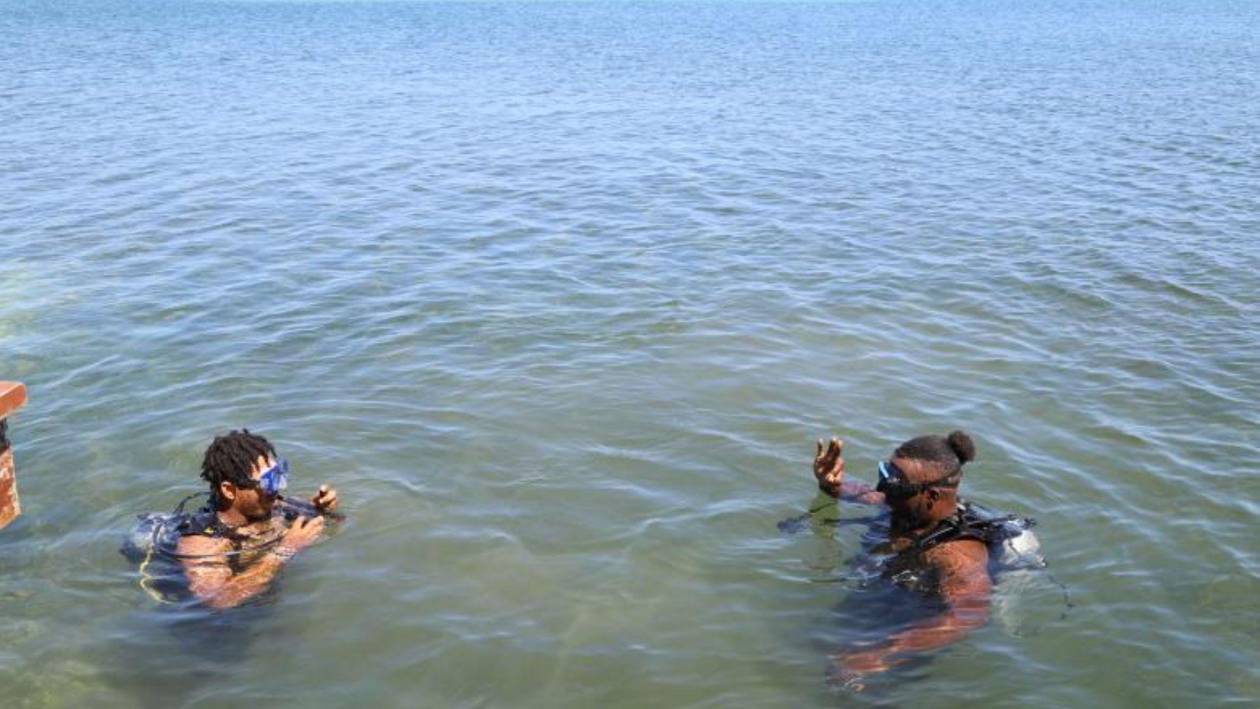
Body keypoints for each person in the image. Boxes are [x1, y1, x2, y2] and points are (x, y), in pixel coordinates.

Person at [811, 430, 996, 686]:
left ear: (930, 496)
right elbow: (868, 494)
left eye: (896, 481)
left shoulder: (955, 553)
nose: (883, 488)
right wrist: (832, 486)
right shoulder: (905, 502)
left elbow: (970, 615)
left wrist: (882, 654)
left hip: (905, 637)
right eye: (885, 472)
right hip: (872, 613)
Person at [175, 429, 339, 609]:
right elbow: (218, 599)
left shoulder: (272, 505)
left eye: (278, 474)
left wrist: (318, 507)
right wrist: (285, 549)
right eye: (268, 481)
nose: (277, 488)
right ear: (229, 490)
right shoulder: (202, 541)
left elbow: (336, 522)